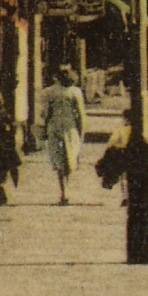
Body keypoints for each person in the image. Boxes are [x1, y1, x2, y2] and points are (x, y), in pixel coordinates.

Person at [37, 67, 87, 206]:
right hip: (70, 129)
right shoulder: (75, 92)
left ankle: (63, 191)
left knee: (58, 160)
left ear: (55, 77)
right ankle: (67, 190)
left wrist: (43, 130)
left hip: (54, 128)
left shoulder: (48, 92)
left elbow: (45, 114)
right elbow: (81, 115)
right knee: (70, 159)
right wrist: (82, 133)